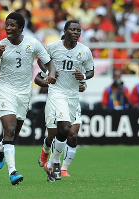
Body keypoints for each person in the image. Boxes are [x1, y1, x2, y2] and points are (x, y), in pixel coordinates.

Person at [0, 12, 56, 186]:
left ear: (21, 28)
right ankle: (13, 172)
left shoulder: (32, 43)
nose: (8, 28)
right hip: (5, 90)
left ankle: (1, 147)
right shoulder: (0, 45)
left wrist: (52, 74)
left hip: (24, 93)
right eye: (7, 25)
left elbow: (48, 61)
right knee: (9, 129)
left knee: (13, 135)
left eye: (12, 25)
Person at [42, 20, 94, 182]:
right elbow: (41, 61)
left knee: (65, 131)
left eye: (79, 30)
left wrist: (83, 77)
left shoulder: (85, 51)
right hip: (57, 93)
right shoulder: (52, 47)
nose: (76, 32)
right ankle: (56, 162)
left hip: (73, 95)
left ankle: (52, 162)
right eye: (72, 29)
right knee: (64, 127)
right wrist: (49, 71)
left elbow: (91, 70)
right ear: (65, 31)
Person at [34, 64, 87, 177]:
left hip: (73, 103)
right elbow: (37, 79)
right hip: (55, 102)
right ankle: (46, 150)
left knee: (72, 135)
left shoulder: (78, 62)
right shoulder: (54, 64)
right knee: (53, 136)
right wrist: (48, 79)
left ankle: (63, 168)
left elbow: (84, 83)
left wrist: (83, 86)